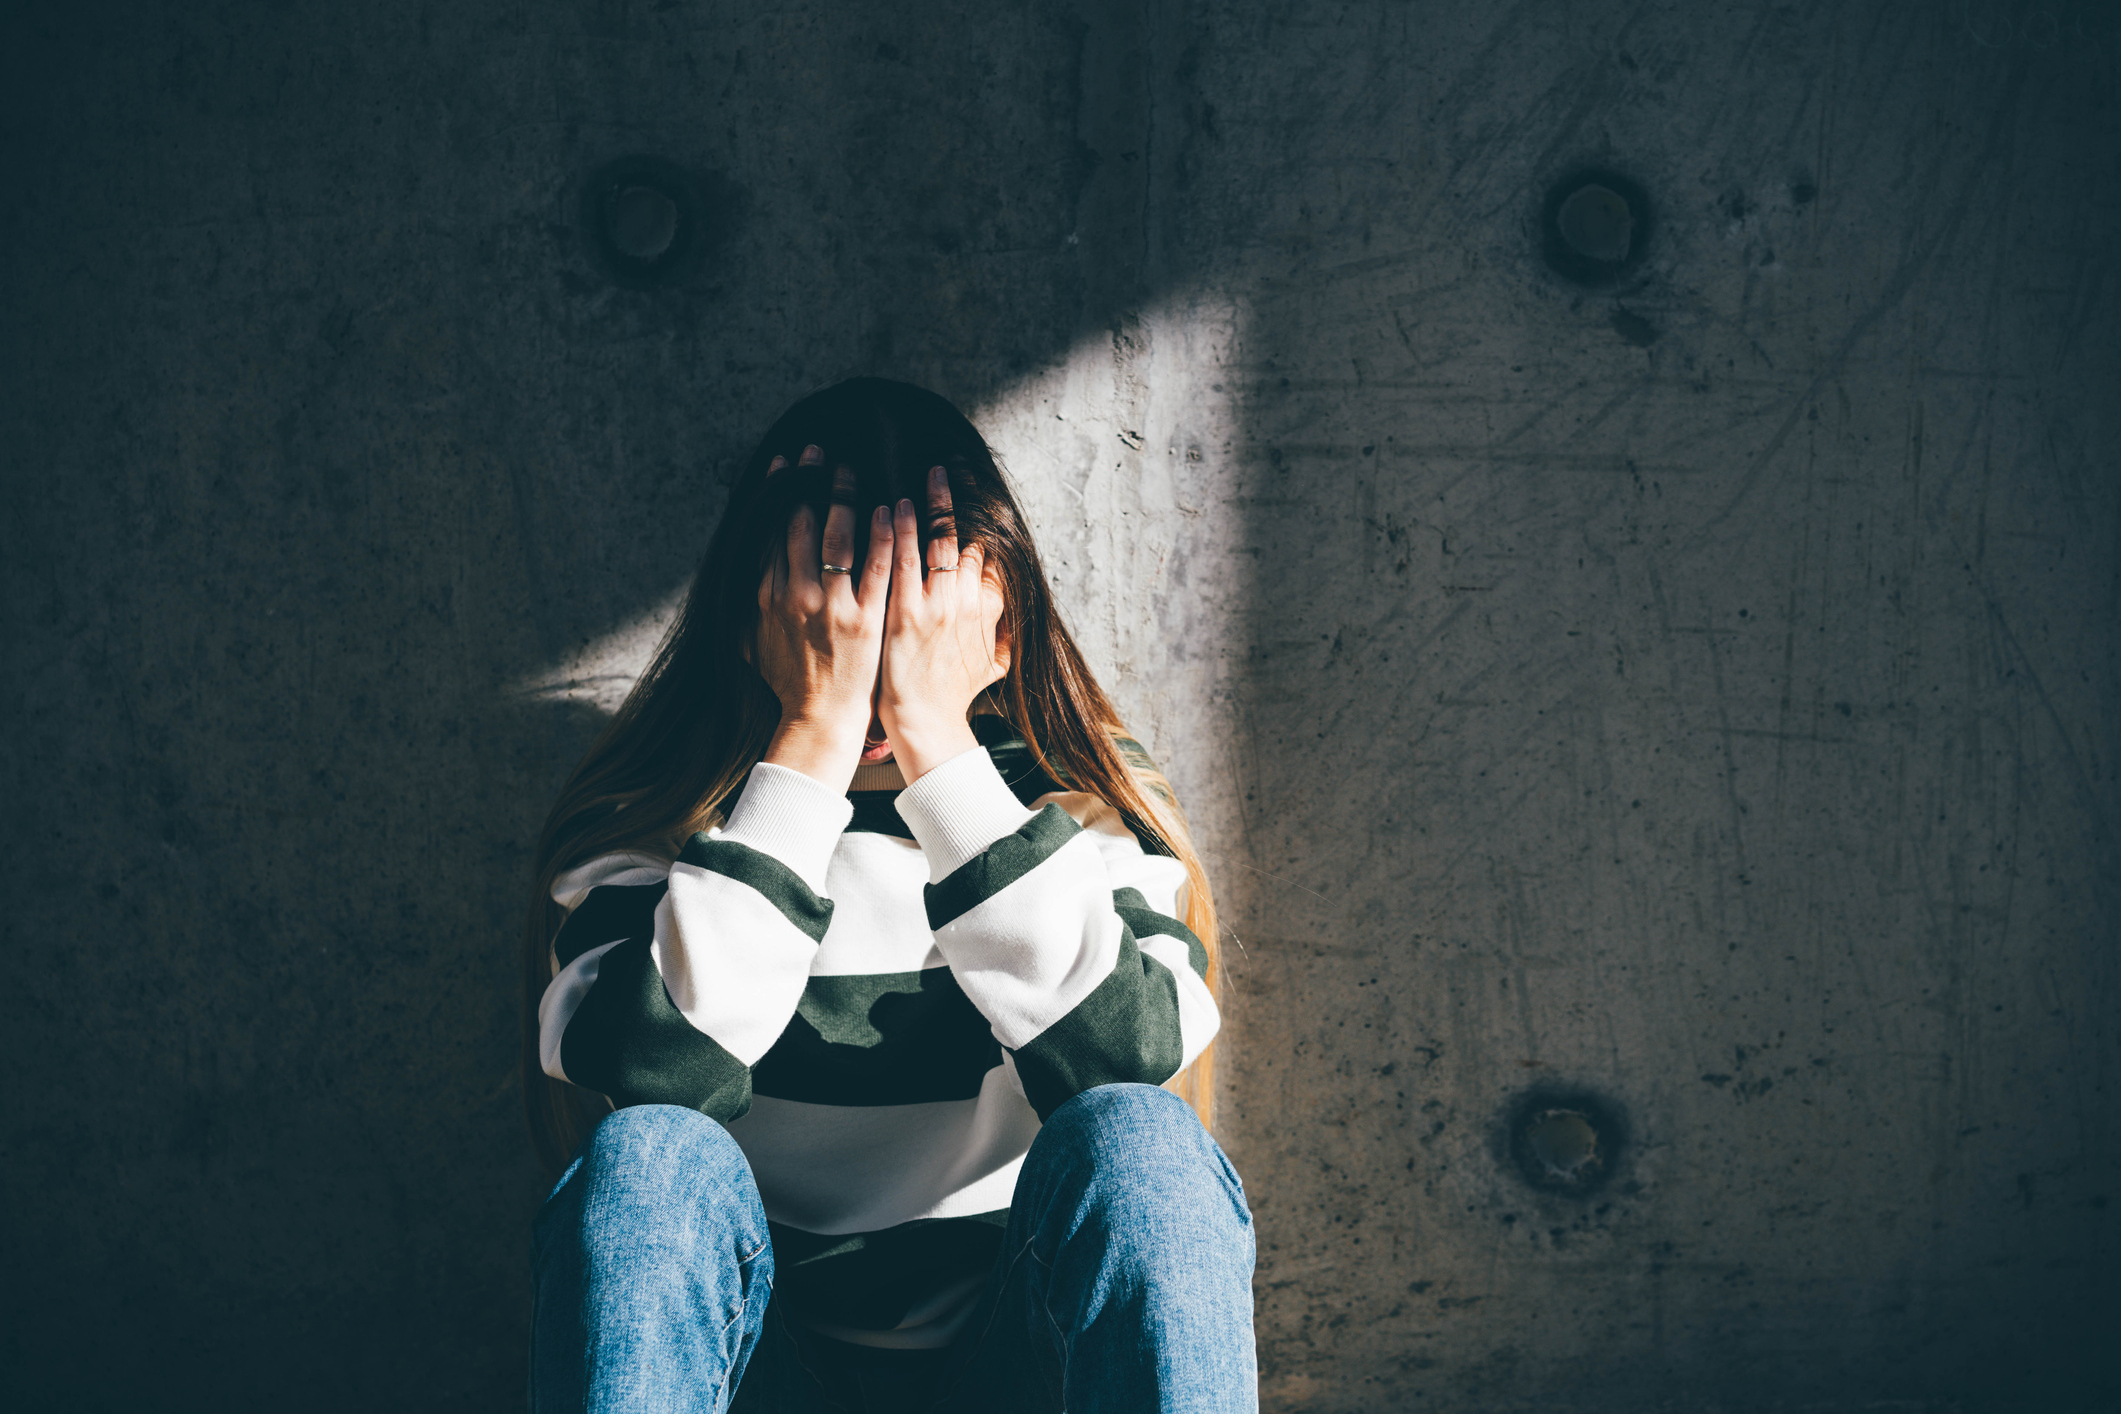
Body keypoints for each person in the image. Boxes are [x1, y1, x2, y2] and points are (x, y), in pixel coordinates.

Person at [520, 378, 1256, 1413]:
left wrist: (939, 748)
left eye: (914, 625)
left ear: (1000, 633)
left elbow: (1121, 1056)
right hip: (754, 1376)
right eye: (830, 613)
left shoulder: (1074, 810)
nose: (869, 661)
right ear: (757, 617)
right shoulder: (662, 820)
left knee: (1142, 1145)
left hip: (1021, 1371)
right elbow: (655, 1068)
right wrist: (812, 739)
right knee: (650, 1156)